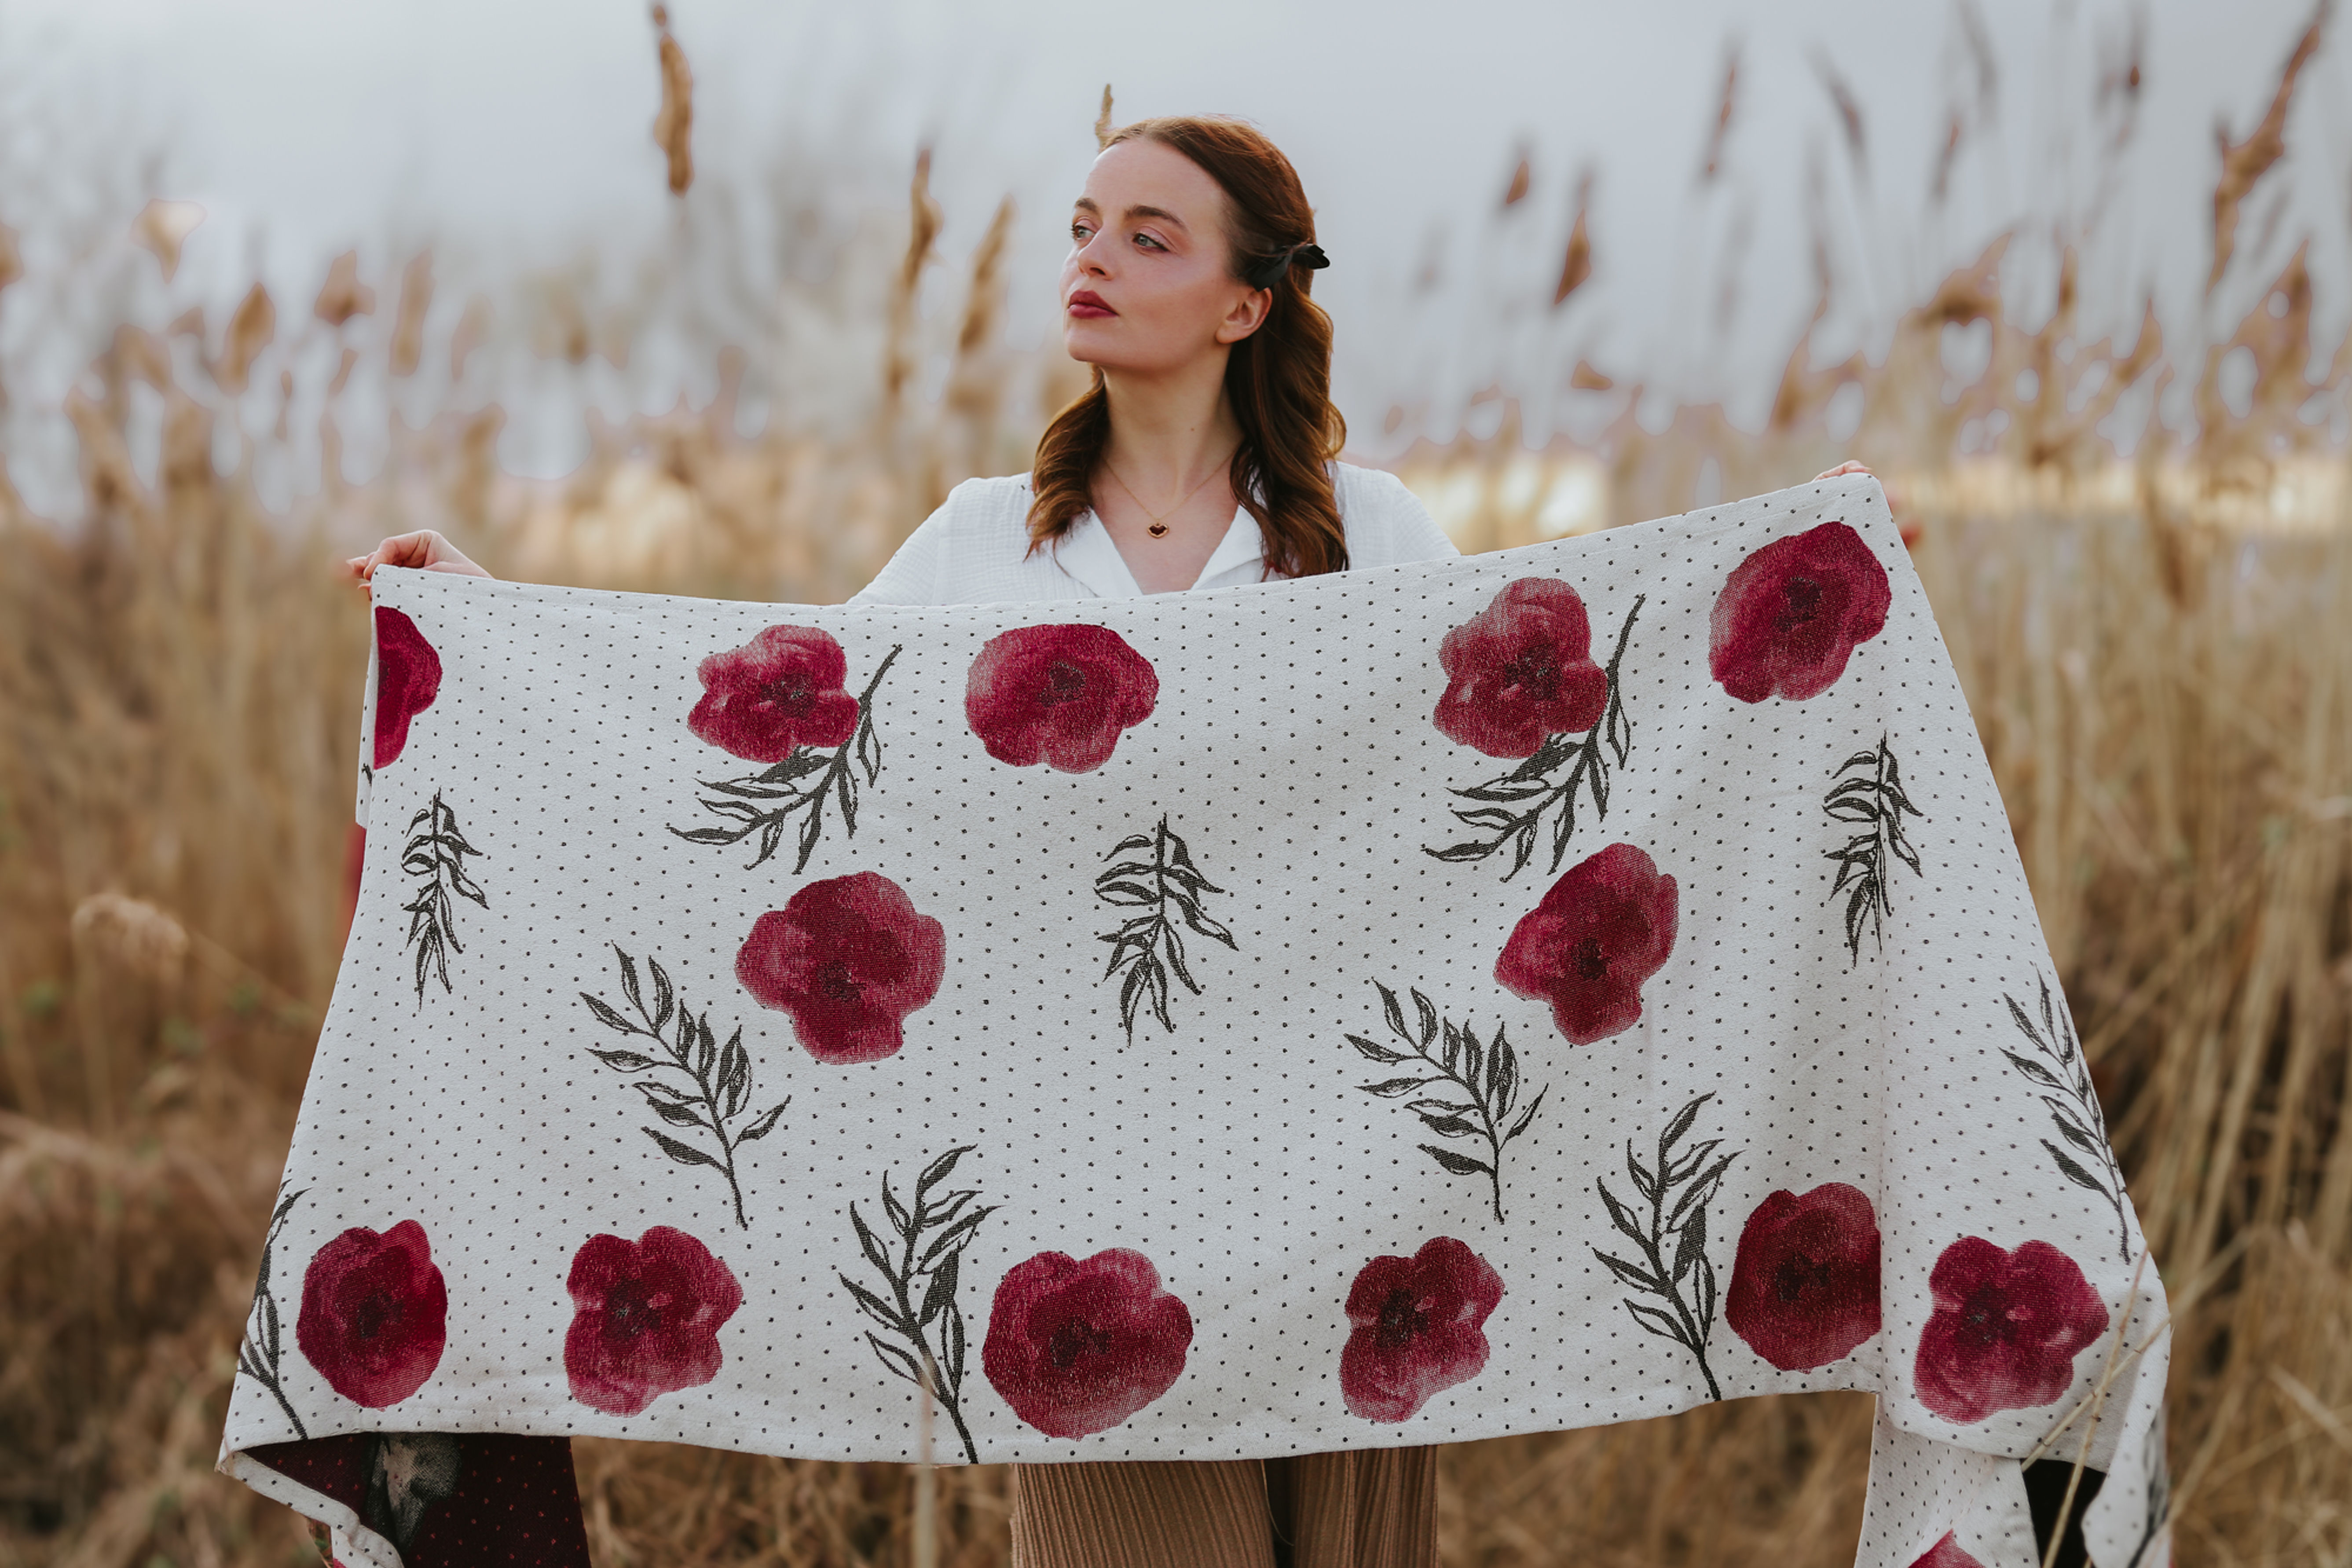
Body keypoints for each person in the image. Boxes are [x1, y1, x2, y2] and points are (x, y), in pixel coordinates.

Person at [343, 114, 1888, 1568]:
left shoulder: (1368, 534)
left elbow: (1551, 738)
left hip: (1353, 1198)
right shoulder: (983, 542)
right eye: (1085, 226)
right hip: (1079, 1220)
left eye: (1150, 236)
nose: (1092, 256)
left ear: (1245, 303)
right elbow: (782, 739)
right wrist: (491, 627)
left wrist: (1790, 553)